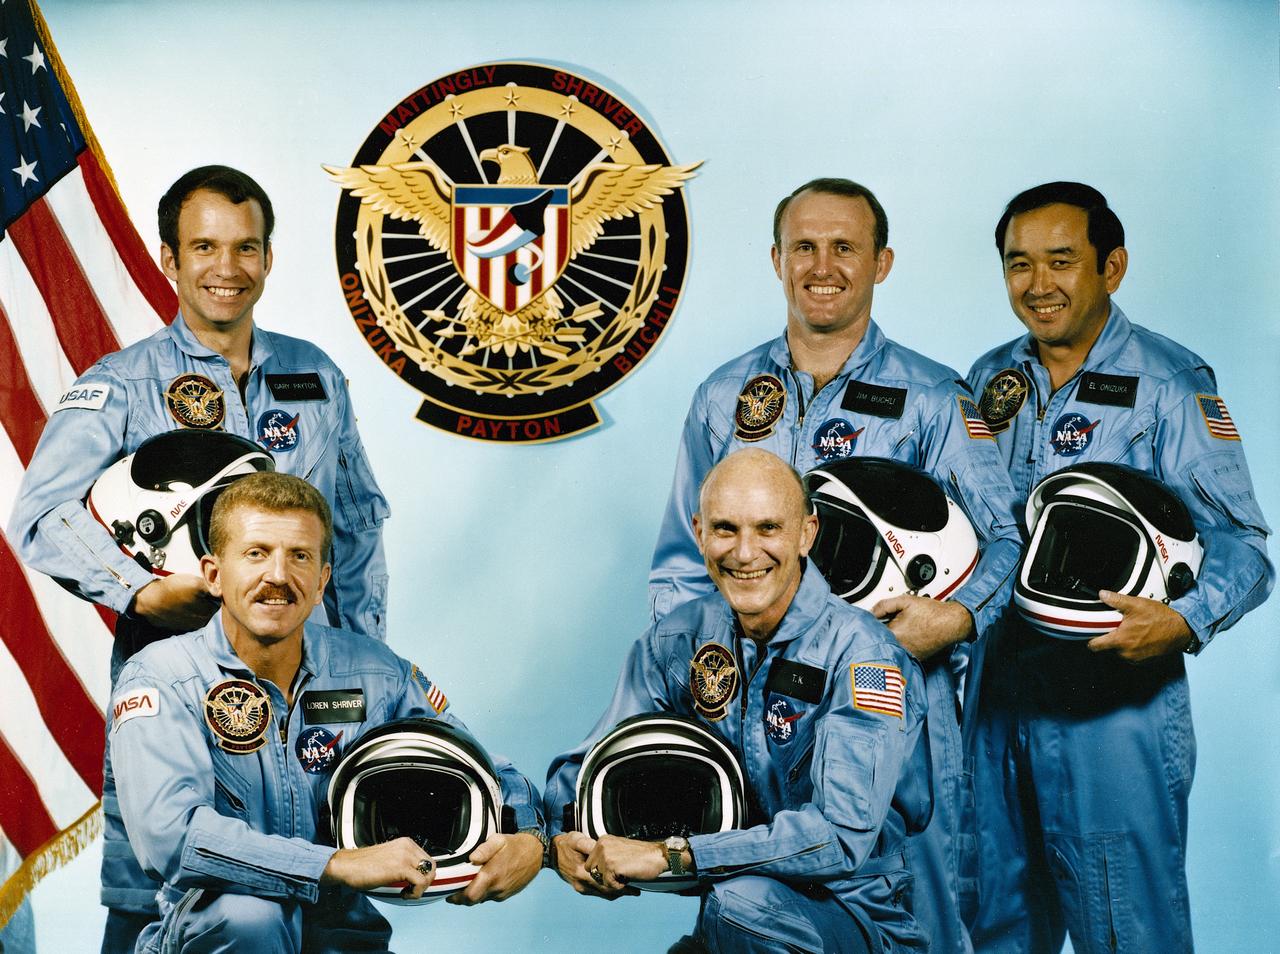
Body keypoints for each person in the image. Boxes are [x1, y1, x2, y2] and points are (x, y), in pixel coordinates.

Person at [7, 165, 390, 953]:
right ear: (169, 261)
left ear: (270, 258)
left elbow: (355, 529)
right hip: (181, 678)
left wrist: (362, 658)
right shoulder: (120, 383)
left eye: (246, 247)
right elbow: (40, 514)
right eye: (205, 247)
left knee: (325, 891)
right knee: (172, 889)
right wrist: (140, 594)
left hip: (306, 686)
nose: (227, 268)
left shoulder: (315, 375)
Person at [649, 178, 1022, 953]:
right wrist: (695, 686)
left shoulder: (932, 398)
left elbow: (1007, 542)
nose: (823, 266)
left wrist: (953, 618)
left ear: (881, 262)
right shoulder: (724, 396)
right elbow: (683, 565)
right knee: (749, 905)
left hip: (888, 702)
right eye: (805, 247)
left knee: (914, 918)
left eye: (844, 247)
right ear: (776, 260)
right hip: (750, 712)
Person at [966, 181, 1273, 953]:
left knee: (1125, 924)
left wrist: (1184, 619)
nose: (1038, 286)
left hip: (1114, 705)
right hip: (998, 694)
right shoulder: (990, 382)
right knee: (993, 917)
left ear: (1113, 267)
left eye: (1061, 262)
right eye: (1019, 265)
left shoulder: (1170, 384)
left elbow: (1243, 542)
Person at [110, 472, 545, 951]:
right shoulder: (163, 677)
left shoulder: (374, 672)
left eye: (299, 556)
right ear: (214, 574)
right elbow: (171, 838)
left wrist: (529, 837)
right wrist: (333, 864)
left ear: (321, 582)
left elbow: (484, 768)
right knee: (251, 915)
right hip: (215, 931)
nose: (278, 576)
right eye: (256, 553)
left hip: (343, 934)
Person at [548, 449, 932, 953]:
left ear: (806, 534)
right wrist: (559, 841)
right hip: (735, 914)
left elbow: (839, 838)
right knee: (732, 908)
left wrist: (672, 856)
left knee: (739, 904)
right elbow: (590, 767)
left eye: (768, 528)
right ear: (699, 532)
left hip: (853, 916)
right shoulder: (679, 640)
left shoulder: (865, 656)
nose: (745, 553)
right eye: (725, 529)